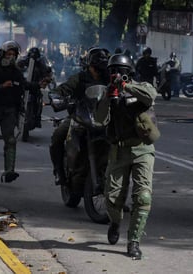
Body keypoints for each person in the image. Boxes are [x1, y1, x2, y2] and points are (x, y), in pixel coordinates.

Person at [95, 53, 158, 260]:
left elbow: (151, 96)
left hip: (142, 149)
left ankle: (134, 241)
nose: (116, 75)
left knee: (143, 196)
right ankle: (115, 222)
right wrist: (108, 96)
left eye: (120, 71)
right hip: (119, 150)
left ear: (129, 73)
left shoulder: (141, 87)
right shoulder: (108, 93)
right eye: (113, 71)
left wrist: (126, 87)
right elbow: (100, 119)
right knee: (112, 198)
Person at [0, 40, 47, 183]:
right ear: (3, 55)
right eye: (8, 54)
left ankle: (9, 170)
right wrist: (1, 86)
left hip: (10, 109)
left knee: (10, 139)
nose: (11, 57)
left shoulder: (16, 72)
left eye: (13, 54)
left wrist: (38, 85)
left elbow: (24, 85)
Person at [48, 47, 110, 186]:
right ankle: (58, 171)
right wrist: (56, 97)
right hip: (80, 116)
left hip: (103, 117)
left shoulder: (109, 79)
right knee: (58, 136)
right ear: (89, 66)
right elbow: (63, 89)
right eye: (96, 67)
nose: (98, 71)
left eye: (101, 68)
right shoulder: (80, 78)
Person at [17, 47, 53, 129]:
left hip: (35, 87)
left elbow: (46, 72)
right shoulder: (23, 62)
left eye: (35, 55)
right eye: (31, 55)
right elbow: (16, 68)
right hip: (23, 86)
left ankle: (37, 118)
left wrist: (46, 79)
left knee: (39, 100)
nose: (33, 57)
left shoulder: (40, 64)